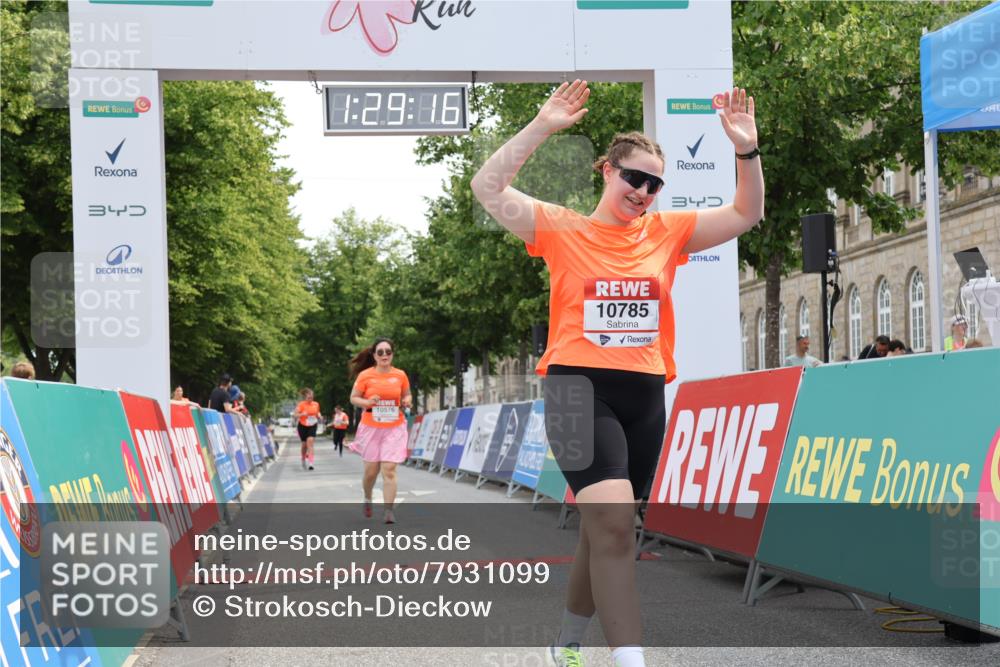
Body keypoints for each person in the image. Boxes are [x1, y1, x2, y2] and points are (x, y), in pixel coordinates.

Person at [472, 81, 764, 667]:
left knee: (603, 531)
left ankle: (566, 643)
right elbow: (487, 186)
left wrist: (746, 150)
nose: (644, 192)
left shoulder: (668, 232)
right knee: (612, 531)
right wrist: (543, 125)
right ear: (606, 171)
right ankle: (631, 659)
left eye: (655, 184)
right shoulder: (559, 227)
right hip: (577, 390)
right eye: (634, 178)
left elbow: (746, 213)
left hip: (645, 393)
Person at [349, 338, 413, 524]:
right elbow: (354, 398)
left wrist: (407, 400)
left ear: (392, 354)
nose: (384, 355)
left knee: (389, 470)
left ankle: (388, 511)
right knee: (371, 472)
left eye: (388, 352)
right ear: (374, 355)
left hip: (394, 426)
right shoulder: (365, 376)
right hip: (371, 427)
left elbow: (407, 393)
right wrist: (367, 402)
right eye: (380, 352)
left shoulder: (400, 375)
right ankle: (368, 498)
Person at [293, 388, 322, 471]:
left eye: (312, 397)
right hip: (302, 426)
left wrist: (319, 415)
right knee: (304, 445)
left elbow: (318, 412)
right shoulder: (301, 404)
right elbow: (295, 415)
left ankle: (311, 463)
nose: (310, 399)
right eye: (308, 398)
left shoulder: (316, 404)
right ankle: (303, 458)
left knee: (310, 442)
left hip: (312, 425)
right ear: (305, 397)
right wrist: (302, 414)